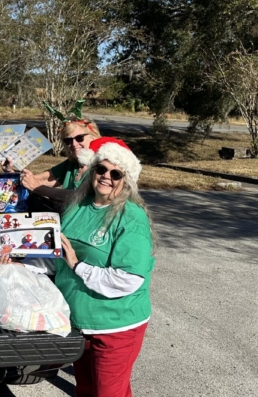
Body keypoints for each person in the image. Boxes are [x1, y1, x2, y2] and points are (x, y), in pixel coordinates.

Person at [56, 137, 155, 397]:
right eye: (101, 169)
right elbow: (59, 253)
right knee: (87, 390)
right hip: (79, 322)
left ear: (126, 180)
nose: (106, 176)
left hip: (116, 326)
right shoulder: (78, 205)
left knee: (107, 393)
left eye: (116, 173)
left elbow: (128, 278)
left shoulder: (130, 217)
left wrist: (78, 267)